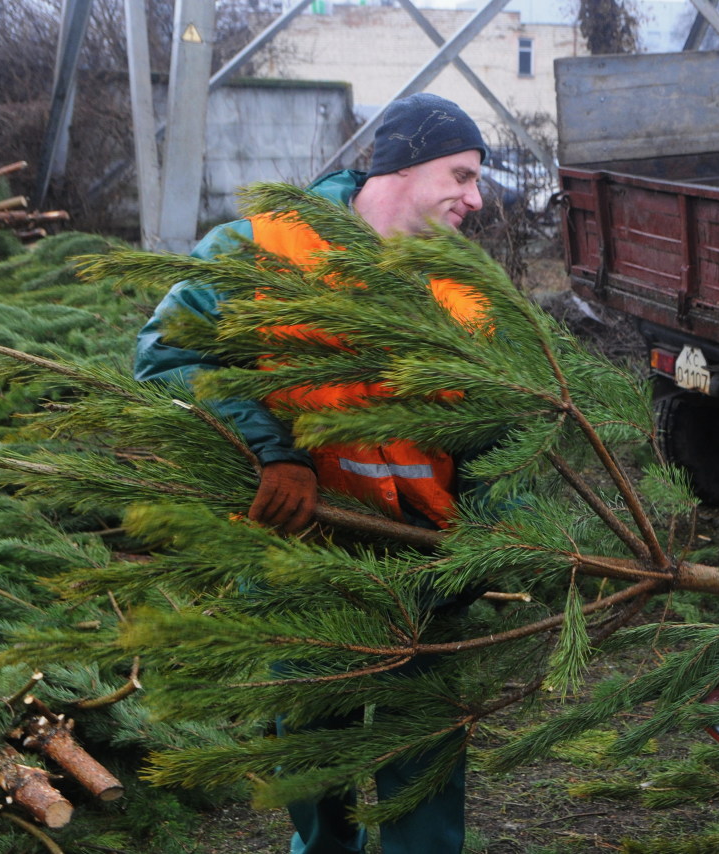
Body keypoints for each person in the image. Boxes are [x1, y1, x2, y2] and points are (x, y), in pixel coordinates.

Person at [134, 92, 491, 854]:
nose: (476, 198)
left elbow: (505, 432)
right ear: (402, 163)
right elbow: (168, 354)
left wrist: (493, 539)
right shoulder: (262, 248)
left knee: (423, 770)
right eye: (461, 174)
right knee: (311, 764)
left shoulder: (463, 293)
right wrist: (274, 451)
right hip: (306, 557)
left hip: (426, 571)